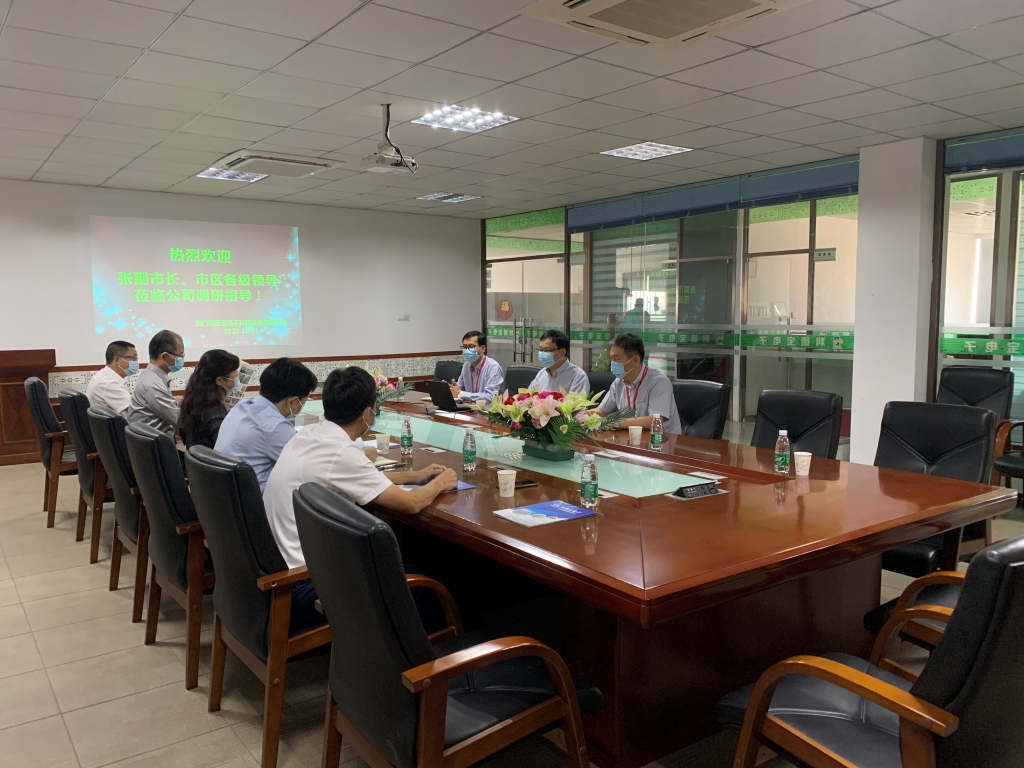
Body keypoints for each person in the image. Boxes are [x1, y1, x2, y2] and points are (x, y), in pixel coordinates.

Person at [263, 367, 458, 629]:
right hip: (305, 585)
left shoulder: (311, 435)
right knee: (416, 577)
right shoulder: (341, 452)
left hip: (282, 571)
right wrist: (440, 483)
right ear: (368, 412)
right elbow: (411, 504)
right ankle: (438, 650)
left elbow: (359, 477)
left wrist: (416, 476)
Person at [214, 357, 318, 492]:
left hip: (227, 493)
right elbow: (309, 468)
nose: (301, 406)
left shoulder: (241, 407)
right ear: (292, 401)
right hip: (258, 500)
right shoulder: (275, 426)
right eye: (303, 402)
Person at [591, 333, 682, 434]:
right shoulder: (618, 382)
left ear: (635, 360)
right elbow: (602, 411)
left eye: (616, 359)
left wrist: (614, 423)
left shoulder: (659, 382)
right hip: (630, 438)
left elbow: (654, 421)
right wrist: (584, 415)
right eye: (611, 358)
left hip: (661, 440)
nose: (612, 363)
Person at [178, 350, 241, 450]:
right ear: (219, 380)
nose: (237, 381)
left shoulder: (194, 401)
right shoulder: (215, 412)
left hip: (197, 458)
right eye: (235, 377)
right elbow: (226, 451)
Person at [128, 329, 185, 440]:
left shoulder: (149, 376)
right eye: (180, 356)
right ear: (164, 357)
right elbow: (179, 420)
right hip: (157, 447)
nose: (182, 360)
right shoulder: (153, 384)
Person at [449, 330, 504, 402]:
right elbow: (459, 390)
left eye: (471, 347)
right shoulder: (466, 366)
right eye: (465, 347)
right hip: (469, 407)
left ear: (483, 348)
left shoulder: (493, 367)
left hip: (488, 408)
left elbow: (491, 397)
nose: (467, 350)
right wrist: (452, 390)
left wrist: (461, 394)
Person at [85, 340, 138, 414]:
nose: (136, 362)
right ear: (117, 360)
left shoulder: (104, 375)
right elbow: (136, 411)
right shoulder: (110, 383)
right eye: (133, 358)